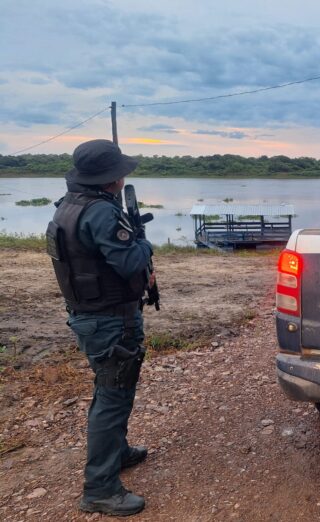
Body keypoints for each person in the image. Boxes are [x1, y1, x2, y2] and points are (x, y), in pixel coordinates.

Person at [46, 139, 154, 516]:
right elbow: (129, 262)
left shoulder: (69, 206)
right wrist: (144, 242)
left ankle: (118, 453)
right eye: (119, 172)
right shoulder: (102, 213)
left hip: (89, 315)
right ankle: (100, 489)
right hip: (110, 319)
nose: (123, 178)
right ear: (111, 178)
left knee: (110, 389)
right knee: (113, 397)